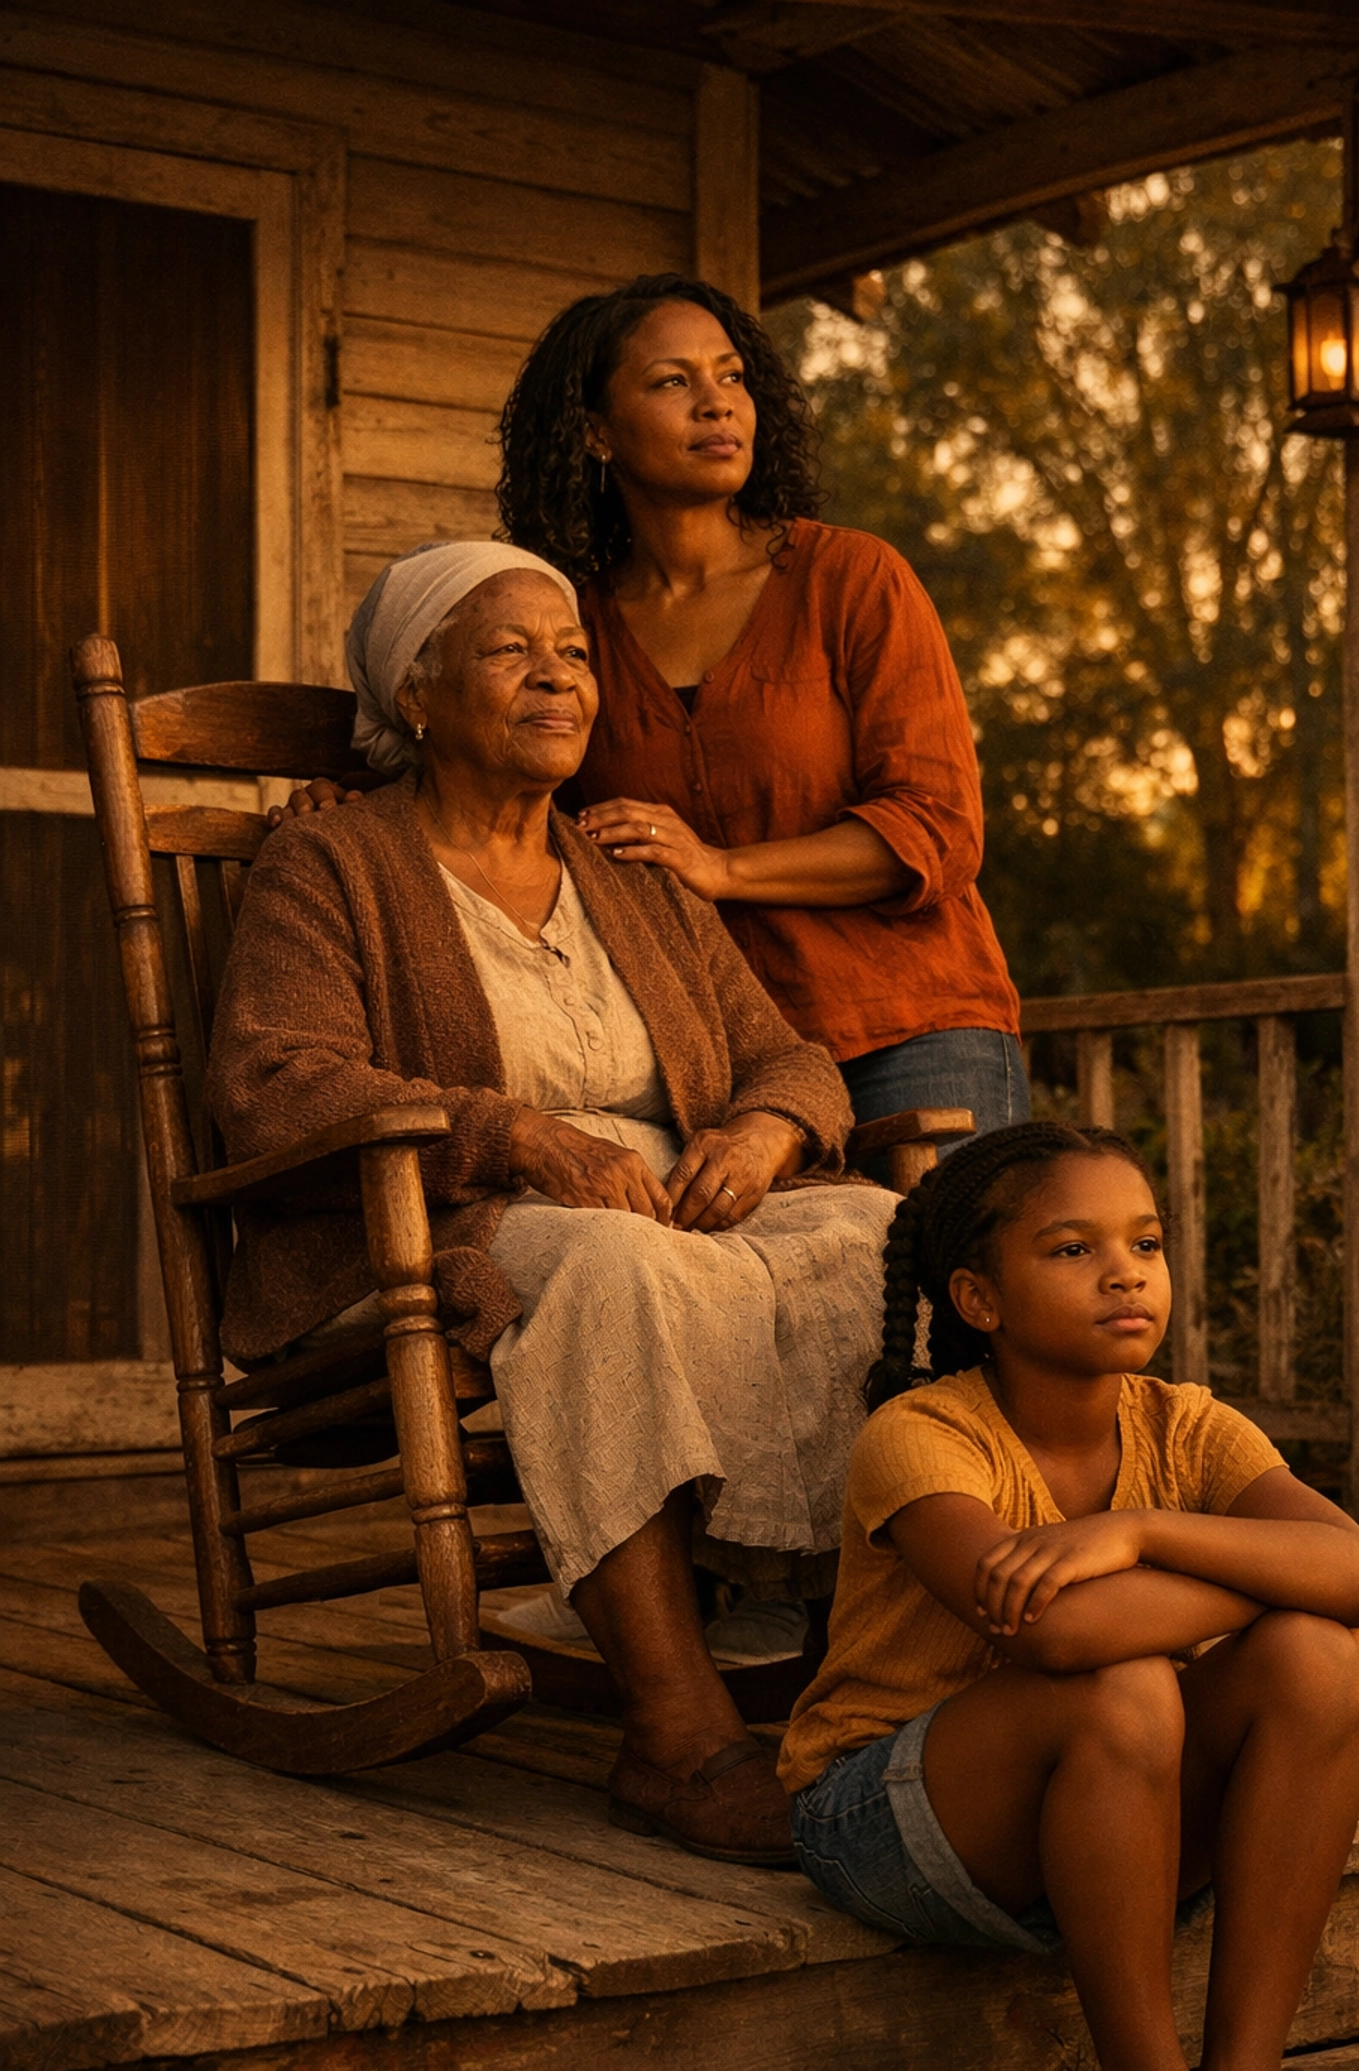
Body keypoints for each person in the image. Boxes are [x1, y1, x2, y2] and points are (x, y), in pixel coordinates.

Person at [210, 540, 899, 1868]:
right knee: (610, 1268)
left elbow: (788, 1055)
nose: (559, 676)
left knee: (886, 1241)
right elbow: (278, 1081)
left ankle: (857, 1667)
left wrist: (760, 1135)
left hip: (689, 1203)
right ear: (414, 693)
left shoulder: (631, 876)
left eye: (575, 652)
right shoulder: (335, 865)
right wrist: (512, 1134)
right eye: (511, 649)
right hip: (448, 1217)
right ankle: (679, 1735)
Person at [778, 1120, 1359, 2071]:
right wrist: (1253, 1581)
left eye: (1147, 1243)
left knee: (1314, 1654)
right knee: (1129, 1682)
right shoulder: (920, 1436)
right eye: (1072, 1250)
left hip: (1115, 1817)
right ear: (979, 1298)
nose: (1126, 1272)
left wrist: (1140, 1531)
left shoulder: (1188, 1427)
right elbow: (1062, 1636)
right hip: (891, 1816)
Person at [499, 273, 1026, 1147]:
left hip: (910, 1029)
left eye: (732, 376)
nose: (718, 405)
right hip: (718, 1063)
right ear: (595, 432)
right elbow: (504, 794)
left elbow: (937, 828)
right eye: (673, 382)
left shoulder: (852, 580)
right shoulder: (572, 629)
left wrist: (723, 867)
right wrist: (349, 795)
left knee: (949, 1280)